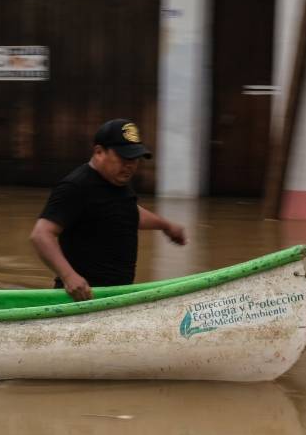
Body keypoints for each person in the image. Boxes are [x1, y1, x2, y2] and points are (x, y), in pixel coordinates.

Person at [29, 118, 187, 301]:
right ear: (99, 152)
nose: (130, 165)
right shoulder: (76, 186)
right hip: (82, 299)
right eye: (123, 157)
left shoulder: (118, 181)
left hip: (116, 296)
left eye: (134, 159)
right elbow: (41, 235)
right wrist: (69, 277)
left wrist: (166, 226)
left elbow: (126, 212)